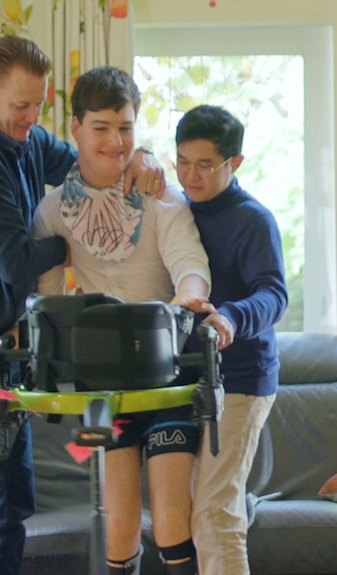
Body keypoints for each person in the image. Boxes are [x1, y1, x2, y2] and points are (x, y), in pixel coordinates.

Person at [0, 36, 164, 575]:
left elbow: (91, 159)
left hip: (2, 348)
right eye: (20, 105)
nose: (31, 117)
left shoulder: (22, 136)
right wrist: (67, 244)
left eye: (40, 105)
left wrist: (140, 153)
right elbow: (16, 262)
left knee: (11, 508)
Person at [32, 66, 212, 575]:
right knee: (118, 518)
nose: (115, 140)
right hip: (98, 384)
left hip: (169, 370)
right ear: (76, 129)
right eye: (102, 127)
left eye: (126, 128)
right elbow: (45, 302)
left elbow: (191, 268)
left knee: (173, 515)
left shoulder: (161, 199)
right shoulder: (52, 213)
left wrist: (189, 301)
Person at [174, 104, 288, 575]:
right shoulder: (171, 210)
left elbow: (275, 293)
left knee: (214, 514)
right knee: (192, 511)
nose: (190, 175)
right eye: (181, 161)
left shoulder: (253, 220)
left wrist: (232, 317)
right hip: (183, 380)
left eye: (204, 164)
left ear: (234, 163)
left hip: (241, 379)